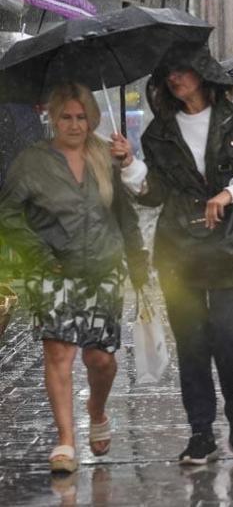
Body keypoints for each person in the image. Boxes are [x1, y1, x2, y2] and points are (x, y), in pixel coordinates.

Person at [117, 45, 233, 465]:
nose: (175, 77)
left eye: (182, 69)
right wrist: (129, 164)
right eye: (168, 72)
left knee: (228, 334)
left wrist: (230, 193)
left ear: (203, 71)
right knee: (191, 342)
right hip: (182, 249)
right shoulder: (159, 132)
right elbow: (155, 193)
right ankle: (201, 432)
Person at [0, 83, 148, 474]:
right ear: (52, 117)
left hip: (103, 269)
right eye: (66, 116)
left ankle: (96, 409)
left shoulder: (106, 156)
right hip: (52, 271)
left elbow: (126, 214)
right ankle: (65, 440)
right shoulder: (32, 162)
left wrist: (138, 263)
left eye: (81, 117)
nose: (74, 124)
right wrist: (39, 254)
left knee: (101, 359)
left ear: (92, 119)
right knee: (59, 352)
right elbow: (8, 213)